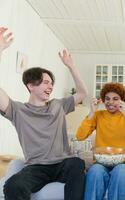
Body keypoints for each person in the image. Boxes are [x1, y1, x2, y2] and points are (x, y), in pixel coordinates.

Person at [0, 27, 88, 200]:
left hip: (63, 163)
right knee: (12, 185)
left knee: (77, 163)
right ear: (31, 85)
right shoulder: (17, 110)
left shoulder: (58, 105)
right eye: (45, 83)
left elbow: (83, 93)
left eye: (51, 83)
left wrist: (71, 67)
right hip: (36, 168)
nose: (50, 87)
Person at [76, 82, 125, 200]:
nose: (110, 102)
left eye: (115, 99)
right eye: (107, 99)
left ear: (122, 100)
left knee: (120, 173)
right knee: (95, 172)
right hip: (100, 163)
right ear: (103, 100)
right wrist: (91, 113)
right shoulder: (98, 115)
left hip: (124, 164)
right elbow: (80, 136)